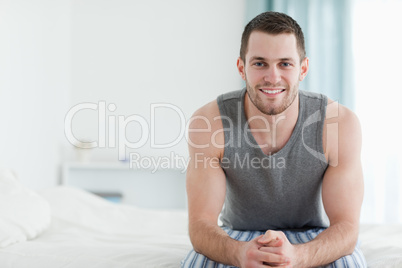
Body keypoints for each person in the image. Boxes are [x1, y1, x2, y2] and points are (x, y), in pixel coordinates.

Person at [181, 11, 366, 268]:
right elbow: (201, 225)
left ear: (303, 69)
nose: (272, 77)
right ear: (241, 68)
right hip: (236, 239)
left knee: (350, 263)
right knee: (196, 263)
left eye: (285, 64)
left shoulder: (339, 124)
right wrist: (239, 254)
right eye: (259, 63)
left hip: (312, 238)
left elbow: (346, 227)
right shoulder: (209, 123)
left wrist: (298, 257)